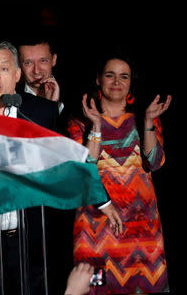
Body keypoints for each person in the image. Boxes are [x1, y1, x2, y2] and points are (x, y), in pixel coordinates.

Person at [67, 51, 171, 294]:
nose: (116, 82)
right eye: (110, 75)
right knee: (95, 287)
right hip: (96, 231)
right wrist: (96, 126)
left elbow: (154, 163)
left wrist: (147, 121)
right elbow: (84, 170)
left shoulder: (144, 119)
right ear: (98, 80)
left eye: (124, 77)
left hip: (144, 235)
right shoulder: (79, 123)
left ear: (131, 82)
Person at [16, 36, 64, 114]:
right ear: (19, 65)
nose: (36, 71)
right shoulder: (11, 98)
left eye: (43, 61)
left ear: (54, 60)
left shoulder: (76, 96)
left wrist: (54, 106)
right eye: (28, 63)